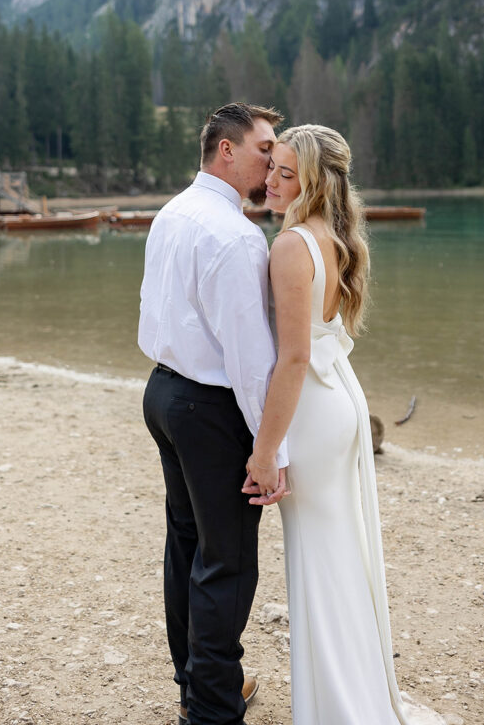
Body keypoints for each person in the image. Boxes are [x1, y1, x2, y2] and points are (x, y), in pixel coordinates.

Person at [242, 124, 444, 725]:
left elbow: (295, 357)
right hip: (341, 403)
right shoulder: (331, 236)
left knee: (320, 561)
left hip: (314, 410)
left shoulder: (289, 246)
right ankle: (349, 696)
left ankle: (339, 709)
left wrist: (264, 449)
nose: (271, 182)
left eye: (285, 173)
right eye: (271, 168)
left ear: (312, 181)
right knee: (341, 554)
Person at [139, 102, 288, 725]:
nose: (273, 161)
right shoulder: (233, 234)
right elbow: (252, 361)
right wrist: (268, 452)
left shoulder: (174, 212)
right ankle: (212, 712)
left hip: (165, 395)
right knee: (225, 561)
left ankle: (199, 683)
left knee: (188, 546)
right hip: (209, 407)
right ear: (226, 151)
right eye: (264, 149)